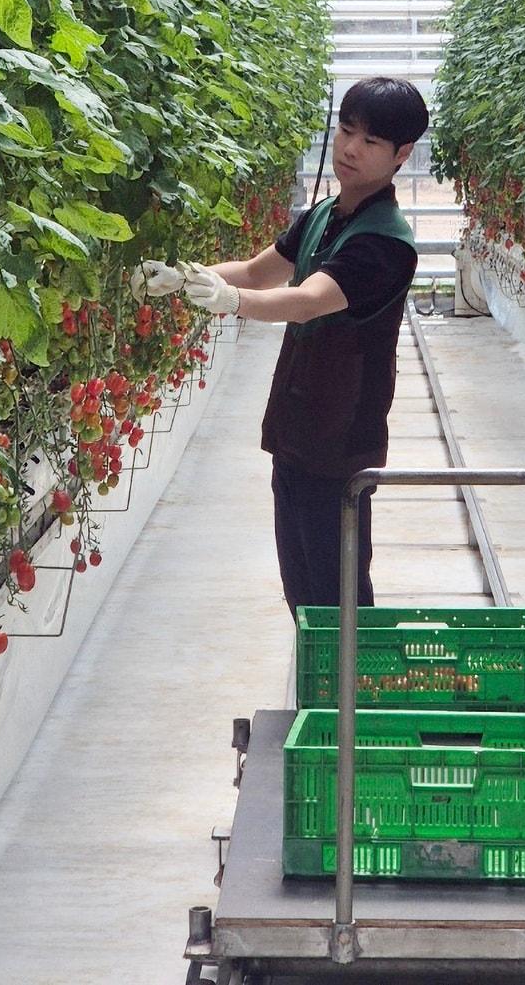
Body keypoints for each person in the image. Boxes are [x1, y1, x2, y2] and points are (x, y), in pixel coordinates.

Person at [132, 77, 428, 619]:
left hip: (341, 439)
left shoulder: (386, 243)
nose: (349, 149)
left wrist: (230, 300)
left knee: (337, 590)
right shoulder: (322, 216)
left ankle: (353, 695)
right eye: (345, 131)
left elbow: (307, 300)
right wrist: (182, 278)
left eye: (370, 142)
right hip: (298, 429)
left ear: (401, 154)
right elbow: (255, 271)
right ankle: (327, 690)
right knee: (302, 589)